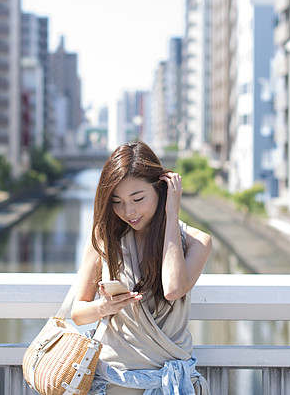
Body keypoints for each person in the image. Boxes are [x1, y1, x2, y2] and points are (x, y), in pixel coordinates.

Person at [71, 141, 213, 395]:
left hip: (172, 383)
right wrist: (105, 307)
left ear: (161, 189)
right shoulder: (104, 238)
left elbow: (173, 289)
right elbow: (78, 313)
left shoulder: (197, 242)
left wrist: (171, 214)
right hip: (115, 383)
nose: (129, 211)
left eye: (138, 198)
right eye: (117, 201)